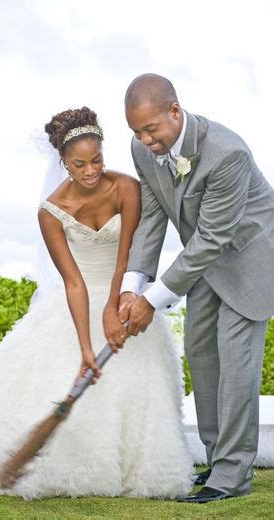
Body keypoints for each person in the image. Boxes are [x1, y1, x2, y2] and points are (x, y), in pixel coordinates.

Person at [0, 107, 193, 499]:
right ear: (64, 163)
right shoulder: (50, 211)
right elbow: (73, 282)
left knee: (141, 383)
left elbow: (127, 259)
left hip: (124, 296)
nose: (90, 171)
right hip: (76, 304)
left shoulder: (126, 188)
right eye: (79, 164)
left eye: (97, 160)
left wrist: (117, 305)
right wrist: (86, 348)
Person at [119, 73, 274, 503]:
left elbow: (212, 238)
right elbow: (152, 218)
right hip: (204, 262)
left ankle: (234, 474)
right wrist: (133, 286)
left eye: (151, 129)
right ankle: (217, 457)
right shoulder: (142, 150)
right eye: (136, 131)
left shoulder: (228, 152)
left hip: (250, 257)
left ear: (175, 110)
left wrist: (152, 301)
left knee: (235, 361)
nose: (146, 140)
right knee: (201, 353)